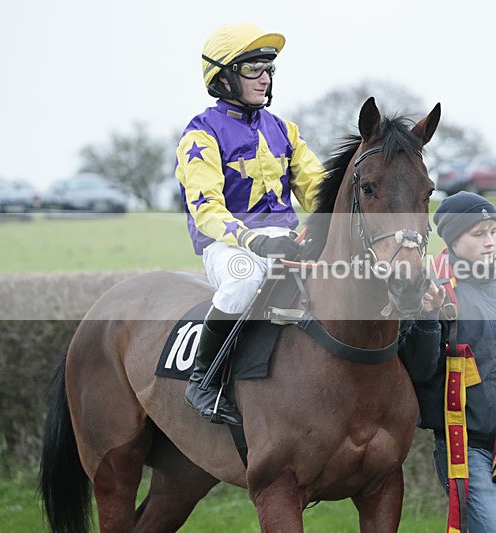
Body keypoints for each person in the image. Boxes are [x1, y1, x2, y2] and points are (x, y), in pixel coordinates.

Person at [175, 22, 325, 424]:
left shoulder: (285, 130)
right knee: (244, 281)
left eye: (268, 70)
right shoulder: (201, 134)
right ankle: (203, 380)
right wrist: (254, 242)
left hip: (286, 240)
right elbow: (207, 209)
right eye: (253, 69)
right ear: (223, 77)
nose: (264, 78)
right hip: (228, 247)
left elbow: (317, 189)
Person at [399, 191, 496, 532]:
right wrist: (427, 316)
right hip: (466, 451)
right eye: (478, 234)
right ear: (452, 239)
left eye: (493, 231)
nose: (490, 242)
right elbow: (419, 370)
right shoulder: (427, 291)